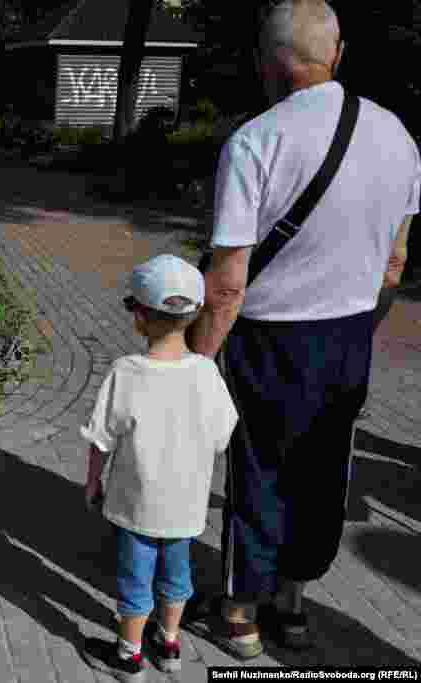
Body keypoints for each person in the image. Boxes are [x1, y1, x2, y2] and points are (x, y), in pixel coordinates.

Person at [183, 0, 419, 659]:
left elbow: (228, 280)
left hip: (269, 337)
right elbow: (396, 260)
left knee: (259, 472)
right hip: (348, 334)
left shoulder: (257, 142)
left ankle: (238, 614)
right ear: (335, 55)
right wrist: (360, 323)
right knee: (322, 473)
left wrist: (197, 359)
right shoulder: (398, 137)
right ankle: (291, 606)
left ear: (273, 64)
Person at [81, 255, 238, 681]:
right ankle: (169, 643)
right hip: (185, 507)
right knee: (177, 574)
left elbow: (101, 440)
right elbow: (223, 436)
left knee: (135, 579)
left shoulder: (125, 372)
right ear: (194, 314)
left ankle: (129, 656)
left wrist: (93, 482)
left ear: (139, 316)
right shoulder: (207, 373)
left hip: (136, 505)